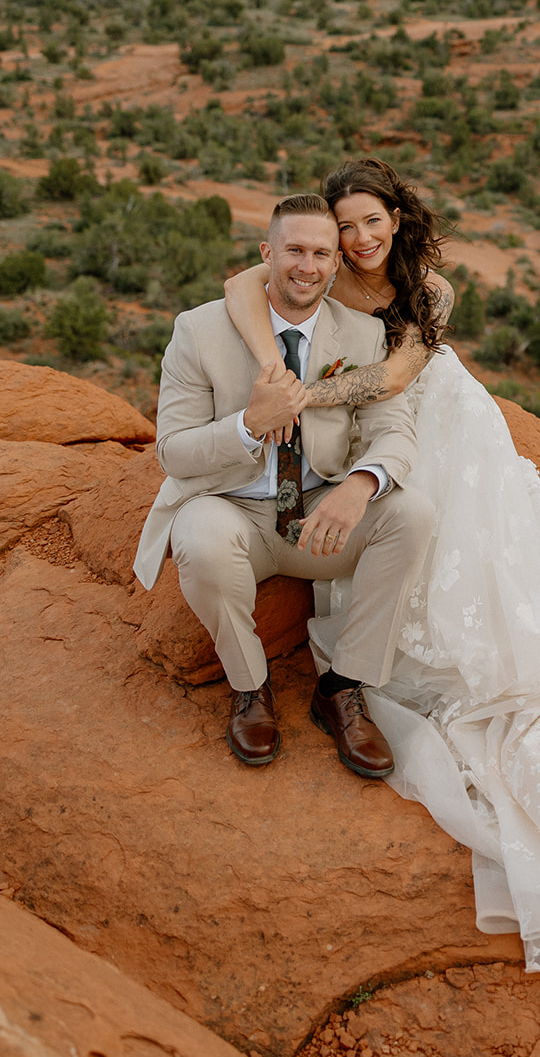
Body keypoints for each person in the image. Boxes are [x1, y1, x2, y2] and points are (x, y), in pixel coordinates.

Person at [223, 158, 540, 989]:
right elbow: (239, 288)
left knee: (465, 544)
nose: (360, 240)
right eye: (344, 230)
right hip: (360, 423)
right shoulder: (314, 268)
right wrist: (272, 366)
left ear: (397, 219)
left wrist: (299, 399)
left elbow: (398, 377)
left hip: (430, 417)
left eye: (373, 222)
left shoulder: (429, 291)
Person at [134, 192, 435, 779]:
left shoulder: (363, 334)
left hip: (319, 514)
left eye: (322, 253)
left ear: (337, 262)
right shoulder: (198, 330)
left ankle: (342, 687)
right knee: (197, 538)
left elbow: (393, 430)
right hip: (232, 506)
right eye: (294, 250)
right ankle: (250, 689)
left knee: (412, 514)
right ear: (267, 253)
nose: (307, 266)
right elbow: (171, 450)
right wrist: (249, 424)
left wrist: (360, 485)